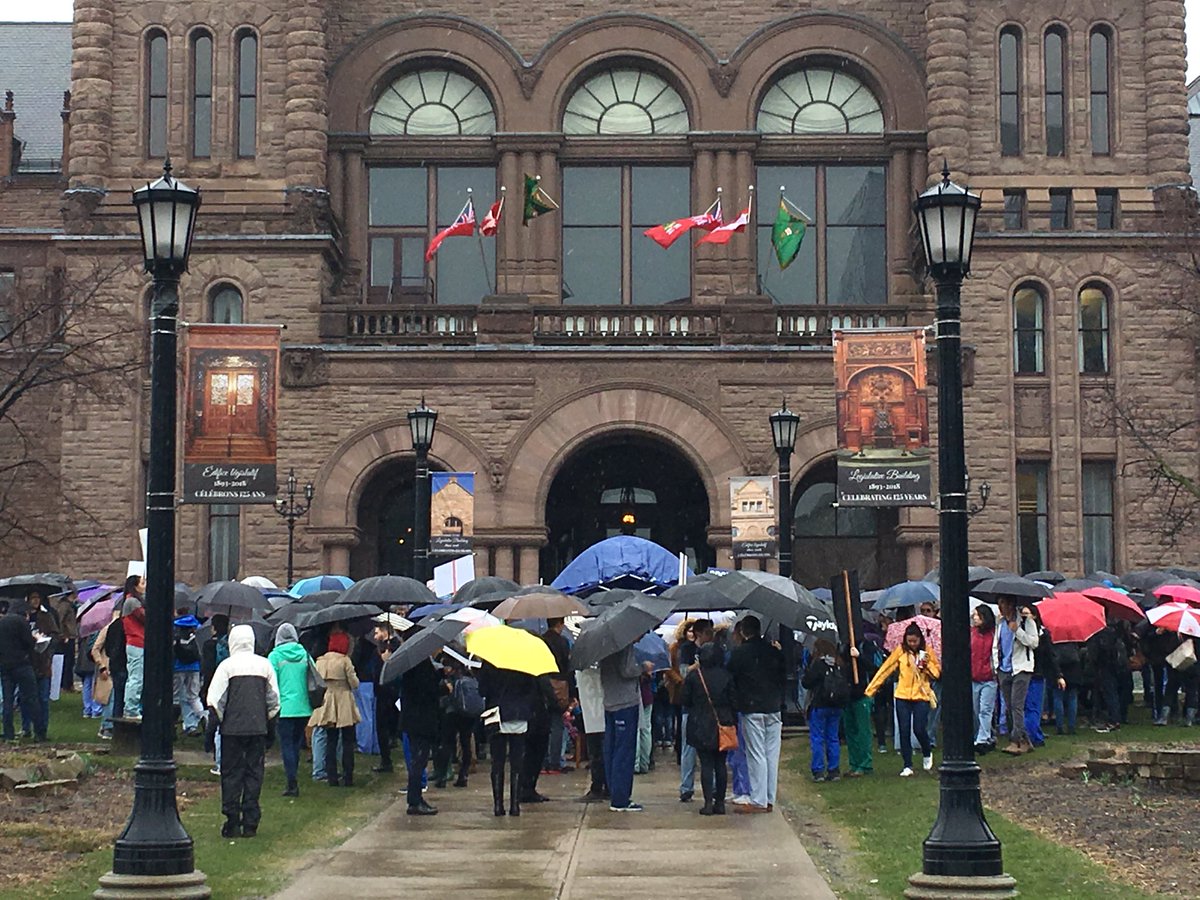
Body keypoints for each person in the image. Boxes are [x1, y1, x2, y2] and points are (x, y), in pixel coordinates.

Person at [205, 623, 280, 838]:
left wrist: (211, 733)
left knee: (231, 774)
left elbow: (215, 701)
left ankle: (232, 819)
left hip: (232, 730)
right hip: (257, 728)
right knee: (254, 774)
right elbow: (273, 701)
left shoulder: (227, 667)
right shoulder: (265, 666)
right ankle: (251, 821)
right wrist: (269, 729)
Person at [865, 623, 940, 777]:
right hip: (902, 696)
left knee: (919, 728)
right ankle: (907, 765)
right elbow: (886, 669)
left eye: (915, 641)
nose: (912, 644)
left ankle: (927, 752)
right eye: (909, 641)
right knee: (904, 730)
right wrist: (871, 689)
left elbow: (936, 673)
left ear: (920, 640)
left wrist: (925, 666)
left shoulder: (926, 652)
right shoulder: (900, 651)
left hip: (921, 695)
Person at [727, 615, 785, 811]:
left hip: (751, 707)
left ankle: (758, 798)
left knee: (756, 754)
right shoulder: (774, 652)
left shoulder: (739, 653)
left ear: (743, 631)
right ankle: (770, 797)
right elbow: (783, 675)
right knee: (771, 755)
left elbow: (731, 677)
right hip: (773, 706)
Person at [680, 643, 735, 815]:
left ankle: (708, 802)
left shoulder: (694, 676)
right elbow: (734, 699)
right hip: (722, 724)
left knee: (706, 764)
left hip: (701, 723)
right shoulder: (727, 676)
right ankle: (720, 802)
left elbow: (685, 700)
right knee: (720, 763)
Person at [479, 661, 538, 816]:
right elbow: (532, 690)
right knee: (517, 762)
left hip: (496, 714)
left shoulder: (490, 661)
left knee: (497, 762)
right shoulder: (524, 661)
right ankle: (515, 806)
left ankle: (498, 806)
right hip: (519, 714)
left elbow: (482, 690)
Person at [268, 623, 314, 797]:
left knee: (286, 744)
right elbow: (313, 675)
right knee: (295, 744)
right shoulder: (304, 654)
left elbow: (270, 682)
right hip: (303, 707)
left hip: (285, 708)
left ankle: (291, 781)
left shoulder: (275, 656)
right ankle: (293, 772)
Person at [309, 631, 360, 788]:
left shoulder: (320, 661)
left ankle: (331, 777)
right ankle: (348, 776)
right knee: (347, 741)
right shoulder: (344, 661)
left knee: (330, 740)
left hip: (327, 700)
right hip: (344, 700)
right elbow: (354, 683)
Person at [600, 642, 642, 811]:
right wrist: (643, 668)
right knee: (624, 751)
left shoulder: (603, 647)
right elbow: (627, 670)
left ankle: (614, 791)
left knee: (611, 749)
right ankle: (620, 798)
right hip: (625, 702)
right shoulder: (625, 646)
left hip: (609, 701)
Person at [801, 639, 849, 782]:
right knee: (832, 737)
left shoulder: (818, 665)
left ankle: (818, 771)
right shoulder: (839, 664)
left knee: (817, 738)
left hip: (819, 704)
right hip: (836, 705)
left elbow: (806, 683)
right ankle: (834, 770)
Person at [677, 618, 714, 803]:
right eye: (708, 632)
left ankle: (713, 786)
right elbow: (683, 672)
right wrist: (697, 666)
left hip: (709, 706)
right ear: (699, 633)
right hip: (690, 706)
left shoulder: (716, 650)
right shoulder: (687, 649)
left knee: (711, 749)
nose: (711, 636)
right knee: (688, 749)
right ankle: (686, 787)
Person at [400, 652, 441, 814]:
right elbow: (426, 690)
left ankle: (415, 798)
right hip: (420, 721)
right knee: (419, 760)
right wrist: (443, 687)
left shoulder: (413, 665)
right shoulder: (420, 666)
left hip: (413, 719)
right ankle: (415, 800)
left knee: (418, 760)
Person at [997, 599, 1039, 755]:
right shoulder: (1000, 623)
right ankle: (1024, 740)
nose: (1002, 607)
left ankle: (1016, 740)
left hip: (1021, 668)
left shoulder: (1025, 622)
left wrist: (1017, 631)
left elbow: (1034, 642)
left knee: (1017, 705)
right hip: (1004, 668)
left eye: (1004, 604)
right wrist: (996, 666)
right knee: (1009, 706)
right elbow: (998, 644)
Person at [0, 599, 42, 742]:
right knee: (31, 697)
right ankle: (39, 732)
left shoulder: (2, 622)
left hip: (5, 665)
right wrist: (35, 639)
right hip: (22, 664)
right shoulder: (20, 622)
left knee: (7, 700)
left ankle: (8, 733)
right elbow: (28, 643)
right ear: (23, 612)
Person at [842, 632, 880, 777]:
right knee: (850, 731)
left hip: (862, 694)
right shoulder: (843, 646)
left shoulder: (867, 646)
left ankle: (865, 764)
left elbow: (874, 667)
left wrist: (859, 657)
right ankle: (854, 763)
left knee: (863, 730)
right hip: (847, 694)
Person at [1026, 604, 1060, 748]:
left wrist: (1058, 674)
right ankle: (1031, 733)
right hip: (1024, 671)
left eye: (1027, 614)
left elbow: (1050, 656)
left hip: (1038, 673)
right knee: (1026, 706)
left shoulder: (1043, 634)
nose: (1024, 617)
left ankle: (1034, 735)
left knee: (1034, 706)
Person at [541, 617, 572, 774]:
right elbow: (568, 666)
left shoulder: (541, 640)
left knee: (544, 725)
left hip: (543, 684)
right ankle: (555, 761)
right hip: (560, 685)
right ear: (560, 624)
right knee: (557, 725)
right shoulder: (563, 642)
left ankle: (544, 759)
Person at [200, 614, 230, 774]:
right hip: (228, 684)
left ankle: (211, 748)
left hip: (213, 683)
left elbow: (206, 667)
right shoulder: (230, 644)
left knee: (214, 719)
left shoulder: (209, 645)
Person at [575, 662, 608, 802]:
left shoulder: (585, 659)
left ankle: (597, 787)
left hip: (593, 712)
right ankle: (606, 786)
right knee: (603, 750)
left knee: (596, 751)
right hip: (602, 711)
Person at [94, 605, 126, 740]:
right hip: (108, 667)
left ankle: (112, 726)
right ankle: (107, 726)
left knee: (117, 697)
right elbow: (95, 648)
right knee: (110, 698)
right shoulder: (108, 629)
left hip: (119, 665)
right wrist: (101, 665)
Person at [970, 605, 998, 753]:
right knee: (976, 710)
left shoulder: (994, 634)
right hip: (974, 677)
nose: (975, 618)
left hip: (989, 678)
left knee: (985, 709)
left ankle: (982, 739)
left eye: (978, 615)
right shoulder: (971, 633)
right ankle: (990, 735)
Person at [173, 610, 204, 735]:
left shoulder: (175, 631)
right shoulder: (198, 631)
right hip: (194, 668)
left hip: (178, 668)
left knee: (174, 698)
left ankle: (172, 725)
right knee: (194, 697)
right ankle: (203, 717)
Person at [121, 577, 146, 719]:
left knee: (137, 677)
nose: (144, 586)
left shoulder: (132, 601)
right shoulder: (132, 602)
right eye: (142, 583)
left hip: (137, 643)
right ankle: (131, 708)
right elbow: (146, 617)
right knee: (136, 678)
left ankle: (134, 706)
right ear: (135, 587)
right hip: (136, 642)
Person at [1052, 639, 1083, 735]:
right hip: (1074, 667)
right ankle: (1071, 726)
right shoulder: (1074, 636)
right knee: (1072, 698)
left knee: (1058, 697)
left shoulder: (1054, 637)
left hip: (1059, 666)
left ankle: (1059, 726)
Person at [634, 661, 655, 774]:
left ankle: (635, 764)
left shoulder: (633, 659)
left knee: (636, 730)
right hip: (647, 697)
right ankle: (644, 763)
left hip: (635, 697)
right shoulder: (648, 660)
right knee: (646, 730)